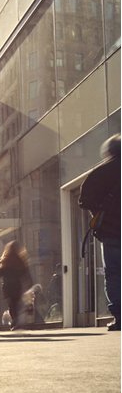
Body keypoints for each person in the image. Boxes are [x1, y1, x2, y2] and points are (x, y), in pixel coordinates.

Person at [78, 134, 121, 331]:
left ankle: (119, 316)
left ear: (109, 151)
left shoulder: (100, 172)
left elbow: (84, 201)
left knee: (113, 272)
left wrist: (100, 209)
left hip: (111, 231)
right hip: (111, 231)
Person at [0, 241, 32, 330]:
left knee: (11, 305)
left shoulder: (5, 260)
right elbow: (25, 273)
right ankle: (16, 321)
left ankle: (15, 321)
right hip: (17, 286)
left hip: (7, 287)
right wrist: (29, 284)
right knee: (16, 304)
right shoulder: (20, 260)